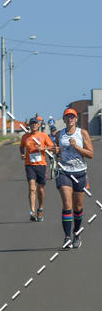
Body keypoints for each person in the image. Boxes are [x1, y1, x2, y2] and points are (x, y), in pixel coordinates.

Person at [54, 107, 94, 249]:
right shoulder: (59, 134)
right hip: (64, 172)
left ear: (76, 119)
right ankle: (67, 237)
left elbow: (90, 154)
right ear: (64, 119)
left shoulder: (82, 133)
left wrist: (76, 147)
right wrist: (56, 151)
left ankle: (76, 233)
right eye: (67, 117)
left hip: (80, 173)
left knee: (78, 207)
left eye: (72, 116)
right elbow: (56, 151)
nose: (70, 119)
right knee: (67, 204)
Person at [19, 117, 54, 222]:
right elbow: (21, 147)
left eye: (35, 123)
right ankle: (32, 211)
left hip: (41, 165)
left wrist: (43, 148)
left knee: (41, 189)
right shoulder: (25, 136)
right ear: (29, 125)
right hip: (29, 165)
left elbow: (52, 147)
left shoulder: (43, 136)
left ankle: (40, 209)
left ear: (39, 125)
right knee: (32, 188)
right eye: (32, 123)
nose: (34, 125)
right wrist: (22, 154)